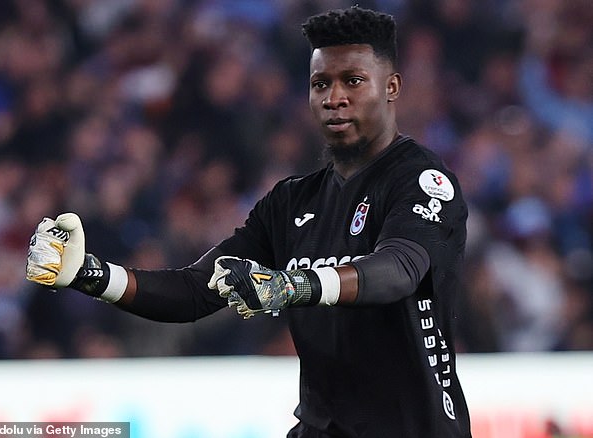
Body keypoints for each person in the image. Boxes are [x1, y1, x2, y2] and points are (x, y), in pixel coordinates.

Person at [26, 7, 472, 437]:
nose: (334, 98)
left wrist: (293, 286)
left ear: (391, 86)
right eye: (320, 83)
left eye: (353, 81)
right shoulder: (291, 202)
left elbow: (397, 270)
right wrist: (90, 275)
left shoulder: (421, 180)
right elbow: (194, 291)